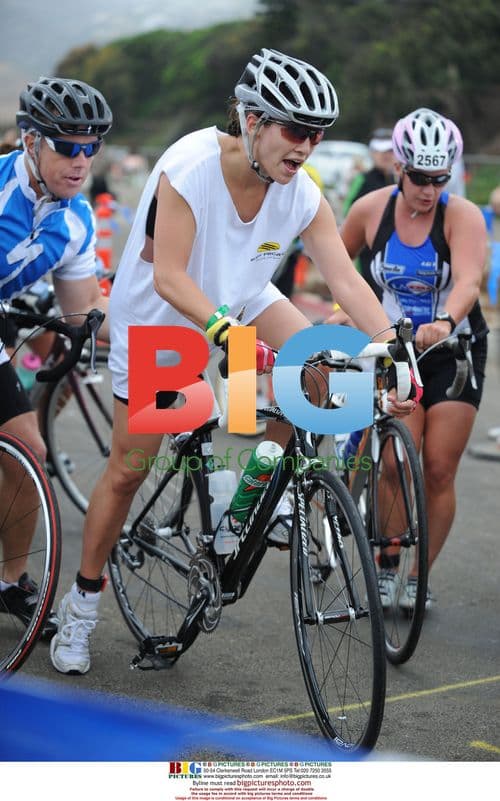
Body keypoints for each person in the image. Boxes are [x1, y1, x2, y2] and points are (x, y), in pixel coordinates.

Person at [50, 48, 416, 675]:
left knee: (332, 377)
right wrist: (228, 337)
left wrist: (394, 346)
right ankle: (79, 610)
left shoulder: (300, 190)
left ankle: (246, 499)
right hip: (166, 323)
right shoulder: (190, 169)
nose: (306, 146)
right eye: (295, 129)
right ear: (252, 120)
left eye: (317, 133)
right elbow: (168, 277)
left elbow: (346, 282)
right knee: (129, 468)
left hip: (243, 297)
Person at [338, 107, 488, 610]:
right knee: (393, 463)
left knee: (439, 470)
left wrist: (445, 319)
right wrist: (342, 310)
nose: (429, 189)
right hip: (395, 351)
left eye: (439, 179)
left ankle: (418, 576)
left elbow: (468, 280)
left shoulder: (461, 215)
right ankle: (385, 563)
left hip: (453, 350)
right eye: (420, 178)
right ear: (399, 166)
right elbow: (337, 264)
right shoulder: (371, 209)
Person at [0, 76, 112, 635]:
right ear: (30, 143)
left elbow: (80, 312)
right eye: (67, 146)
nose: (81, 159)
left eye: (91, 147)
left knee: (28, 451)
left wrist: (184, 324)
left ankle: (7, 581)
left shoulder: (78, 221)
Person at [342, 128, 395, 299]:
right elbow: (348, 209)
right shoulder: (363, 179)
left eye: (389, 151)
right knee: (368, 295)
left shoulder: (399, 180)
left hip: (392, 250)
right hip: (366, 250)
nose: (385, 156)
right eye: (380, 152)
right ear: (372, 153)